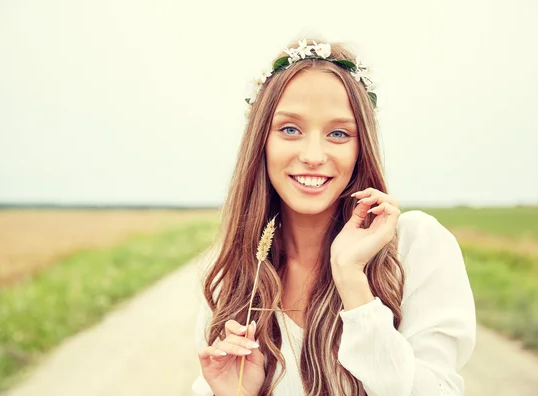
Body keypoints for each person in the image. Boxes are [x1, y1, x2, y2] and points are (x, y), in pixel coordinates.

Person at [191, 38, 476, 396]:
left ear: (362, 147)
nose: (313, 155)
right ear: (261, 141)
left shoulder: (417, 245)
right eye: (290, 129)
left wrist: (351, 280)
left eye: (338, 133)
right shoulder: (232, 274)